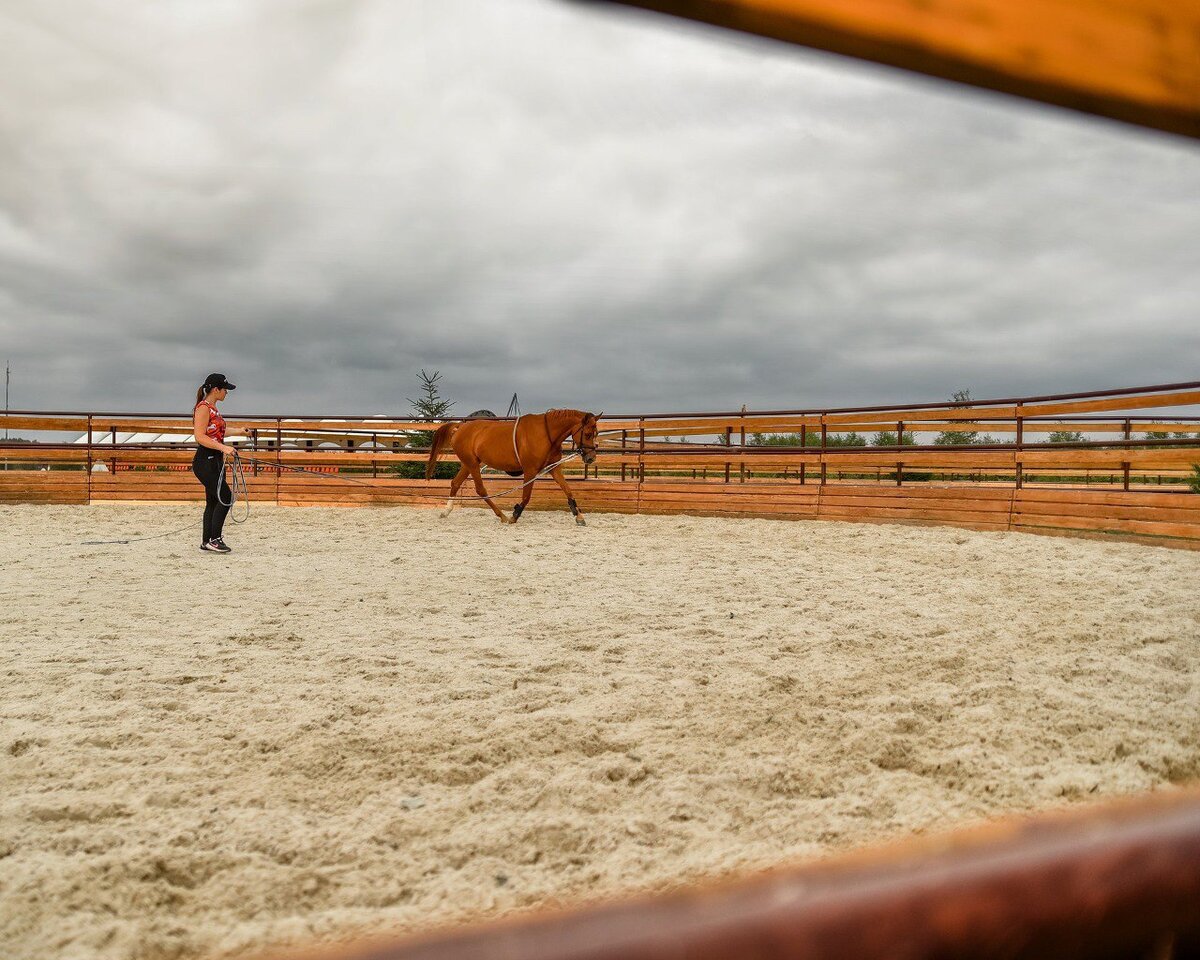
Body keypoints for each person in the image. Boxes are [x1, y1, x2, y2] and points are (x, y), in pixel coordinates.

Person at [192, 372, 239, 553]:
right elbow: (200, 436)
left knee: (213, 501)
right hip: (206, 460)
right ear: (216, 389)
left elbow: (217, 432)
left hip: (214, 460)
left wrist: (241, 431)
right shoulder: (203, 408)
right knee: (225, 497)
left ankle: (207, 541)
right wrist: (224, 448)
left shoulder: (212, 409)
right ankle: (215, 539)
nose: (226, 393)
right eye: (225, 389)